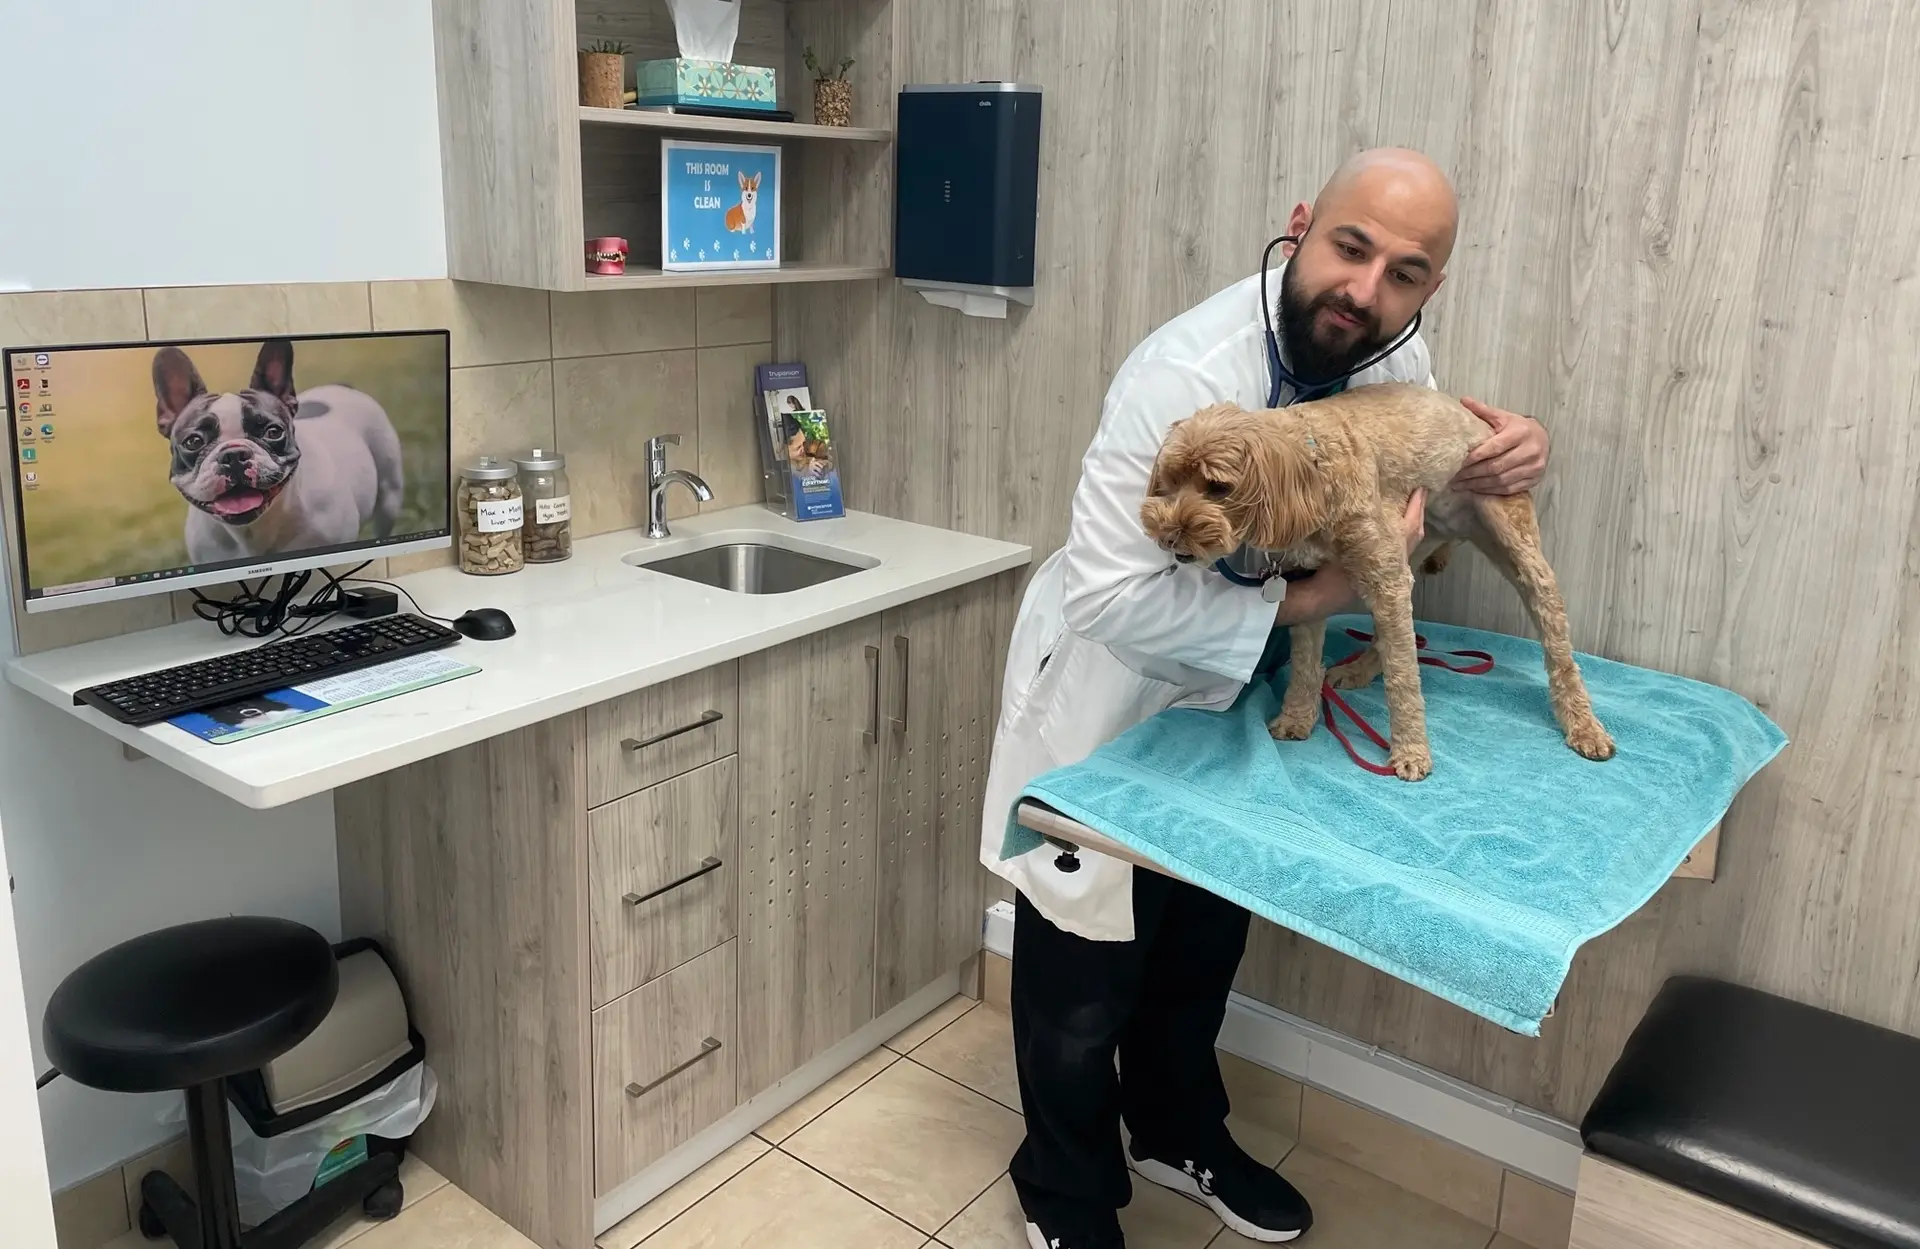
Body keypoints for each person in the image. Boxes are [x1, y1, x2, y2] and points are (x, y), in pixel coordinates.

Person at [977, 148, 1550, 1249]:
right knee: (1084, 978)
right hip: (1114, 693)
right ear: (1300, 226)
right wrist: (1319, 598)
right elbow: (1105, 595)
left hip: (1238, 695)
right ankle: (1064, 1189)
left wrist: (1512, 454)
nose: (1365, 289)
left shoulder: (1398, 363)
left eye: (1405, 271)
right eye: (1351, 247)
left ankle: (1175, 1128)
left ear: (1431, 290)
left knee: (1201, 941)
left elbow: (1416, 482)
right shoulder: (1181, 375)